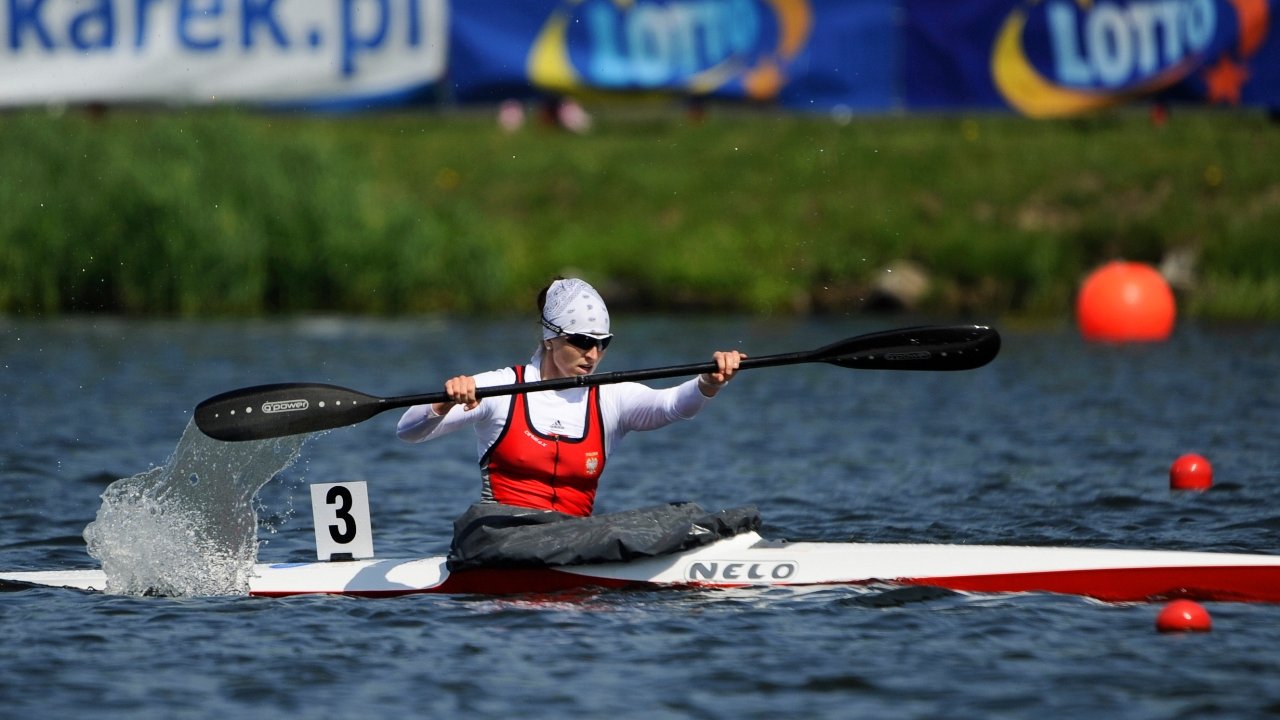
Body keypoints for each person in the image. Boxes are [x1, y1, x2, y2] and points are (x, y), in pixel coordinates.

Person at [396, 277, 755, 569]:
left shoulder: (610, 397)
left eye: (603, 344)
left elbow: (673, 405)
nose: (593, 355)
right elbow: (408, 431)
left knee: (680, 516)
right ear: (551, 339)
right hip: (502, 544)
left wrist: (709, 382)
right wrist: (443, 403)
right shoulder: (501, 388)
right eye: (582, 342)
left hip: (575, 543)